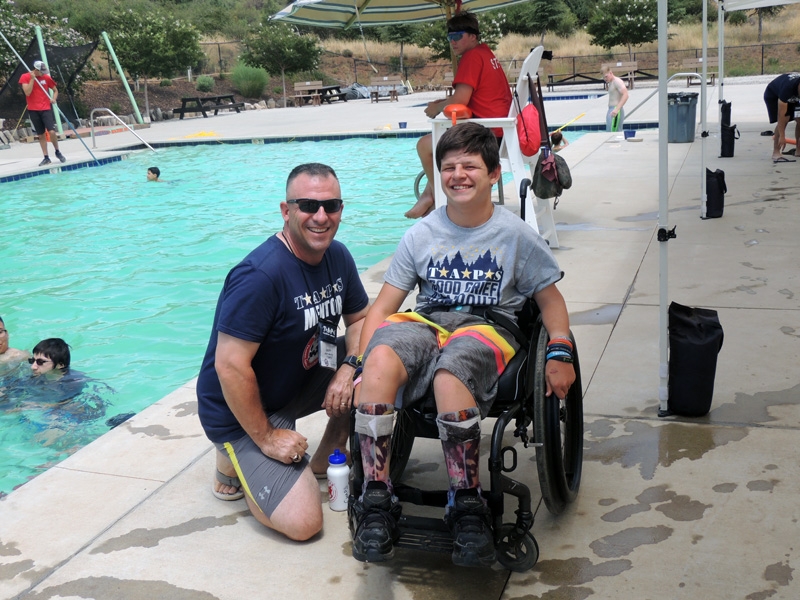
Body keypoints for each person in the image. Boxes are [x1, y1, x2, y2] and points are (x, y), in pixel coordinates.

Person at [350, 122, 576, 567]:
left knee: (451, 374)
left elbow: (552, 302)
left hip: (489, 325)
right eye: (448, 167)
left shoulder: (515, 236)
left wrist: (560, 350)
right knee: (379, 359)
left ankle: (467, 502)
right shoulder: (421, 235)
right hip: (427, 321)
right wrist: (357, 362)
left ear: (494, 174)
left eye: (469, 166)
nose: (457, 175)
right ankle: (376, 498)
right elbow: (383, 307)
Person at [196, 162, 370, 542]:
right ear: (286, 210)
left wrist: (348, 368)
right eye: (308, 205)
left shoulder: (337, 256)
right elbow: (230, 365)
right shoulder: (260, 275)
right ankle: (234, 456)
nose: (321, 216)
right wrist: (266, 438)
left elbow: (359, 321)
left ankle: (327, 455)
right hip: (240, 407)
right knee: (305, 523)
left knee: (378, 358)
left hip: (298, 378)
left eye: (332, 205)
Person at [405, 12, 512, 219]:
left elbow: (460, 100)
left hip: (490, 136)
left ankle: (437, 196)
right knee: (444, 144)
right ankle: (430, 194)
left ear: (473, 36)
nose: (453, 42)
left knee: (425, 145)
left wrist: (436, 108)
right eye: (449, 37)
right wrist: (443, 103)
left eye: (458, 36)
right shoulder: (485, 53)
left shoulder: (471, 57)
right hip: (501, 132)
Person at [19, 61, 66, 167]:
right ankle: (46, 157)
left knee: (52, 131)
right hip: (33, 109)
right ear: (36, 70)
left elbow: (55, 90)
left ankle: (57, 151)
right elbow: (27, 92)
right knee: (41, 135)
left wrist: (54, 99)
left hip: (45, 108)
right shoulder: (25, 77)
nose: (43, 74)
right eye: (41, 72)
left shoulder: (46, 78)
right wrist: (32, 79)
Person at [763, 72, 800, 163]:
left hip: (793, 94)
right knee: (785, 120)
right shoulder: (787, 89)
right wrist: (782, 136)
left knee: (799, 118)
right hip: (773, 94)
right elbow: (781, 116)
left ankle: (798, 150)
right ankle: (776, 152)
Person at [602, 66, 629, 132]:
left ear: (611, 73)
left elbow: (626, 95)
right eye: (604, 77)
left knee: (613, 133)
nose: (605, 79)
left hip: (616, 111)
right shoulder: (611, 82)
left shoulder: (617, 81)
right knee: (610, 132)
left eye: (606, 76)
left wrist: (617, 109)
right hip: (612, 110)